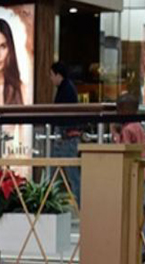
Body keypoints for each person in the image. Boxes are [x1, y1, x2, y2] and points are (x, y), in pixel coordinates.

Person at [110, 92, 145, 263]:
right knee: (141, 210)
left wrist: (115, 136)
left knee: (135, 211)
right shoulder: (140, 127)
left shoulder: (128, 129)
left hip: (132, 174)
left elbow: (123, 149)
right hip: (142, 174)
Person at [49, 61, 81, 204]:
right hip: (65, 137)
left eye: (51, 75)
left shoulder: (66, 89)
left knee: (70, 174)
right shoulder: (67, 88)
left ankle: (81, 205)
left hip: (66, 138)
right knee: (65, 173)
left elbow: (62, 113)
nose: (50, 79)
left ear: (58, 75)